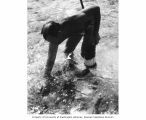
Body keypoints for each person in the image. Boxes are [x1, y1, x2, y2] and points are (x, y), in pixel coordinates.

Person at [40, 5, 101, 95]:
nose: (52, 44)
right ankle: (73, 66)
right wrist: (46, 79)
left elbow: (96, 8)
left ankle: (94, 78)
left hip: (88, 25)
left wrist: (95, 33)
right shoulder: (53, 38)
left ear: (59, 33)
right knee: (68, 52)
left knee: (86, 54)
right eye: (50, 42)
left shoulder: (76, 20)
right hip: (76, 31)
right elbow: (50, 61)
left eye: (53, 41)